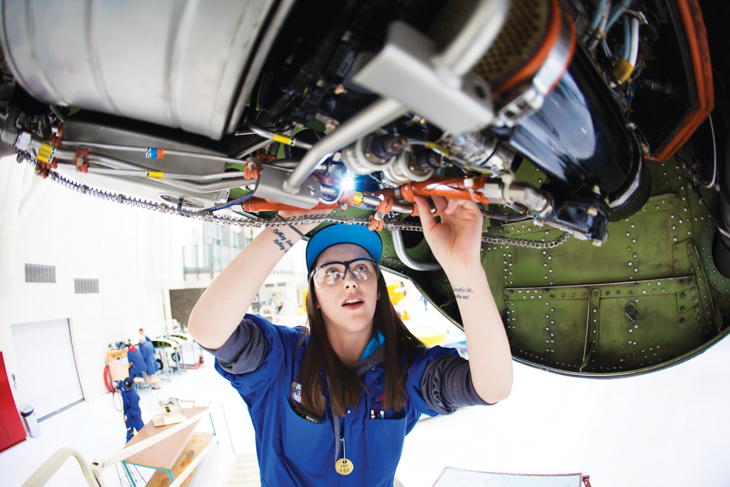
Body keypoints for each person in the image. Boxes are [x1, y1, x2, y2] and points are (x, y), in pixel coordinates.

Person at [188, 196, 513, 486]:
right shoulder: (280, 361)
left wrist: (464, 266)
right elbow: (209, 329)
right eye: (331, 272)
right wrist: (289, 226)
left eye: (362, 269)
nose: (348, 281)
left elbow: (492, 386)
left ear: (377, 290)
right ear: (314, 297)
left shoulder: (407, 370)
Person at [114, 377, 144, 442]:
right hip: (126, 412)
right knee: (129, 428)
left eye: (128, 388)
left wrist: (127, 415)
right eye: (125, 387)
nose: (126, 389)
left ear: (132, 385)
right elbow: (118, 382)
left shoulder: (134, 395)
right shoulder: (124, 385)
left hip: (134, 414)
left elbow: (133, 408)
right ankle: (129, 442)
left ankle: (146, 440)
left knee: (141, 429)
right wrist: (114, 383)